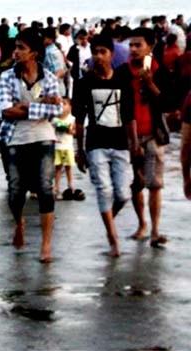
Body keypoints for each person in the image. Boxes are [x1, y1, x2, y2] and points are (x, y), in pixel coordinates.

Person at [0, 28, 64, 263]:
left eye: (21, 48)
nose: (16, 52)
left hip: (44, 136)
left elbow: (58, 110)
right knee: (16, 190)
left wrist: (25, 107)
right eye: (16, 47)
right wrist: (39, 104)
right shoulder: (8, 76)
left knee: (45, 188)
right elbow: (5, 111)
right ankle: (19, 222)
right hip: (14, 137)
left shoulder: (49, 77)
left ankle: (46, 244)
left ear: (34, 53)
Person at [73, 34, 135, 257]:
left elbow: (129, 116)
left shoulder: (122, 81)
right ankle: (113, 238)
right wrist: (79, 151)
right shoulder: (84, 84)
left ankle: (108, 218)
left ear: (111, 54)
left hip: (120, 143)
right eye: (95, 52)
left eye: (103, 52)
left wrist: (134, 143)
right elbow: (79, 120)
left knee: (122, 194)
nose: (98, 57)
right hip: (95, 142)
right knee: (104, 189)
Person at [118, 27, 171, 248]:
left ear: (151, 46)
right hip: (130, 134)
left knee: (155, 184)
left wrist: (150, 84)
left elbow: (169, 101)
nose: (133, 49)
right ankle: (142, 224)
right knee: (136, 183)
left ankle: (156, 229)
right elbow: (119, 105)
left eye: (138, 44)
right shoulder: (122, 72)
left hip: (154, 133)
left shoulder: (160, 72)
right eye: (131, 45)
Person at [52, 100, 80, 199]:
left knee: (68, 167)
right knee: (58, 168)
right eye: (60, 104)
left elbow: (74, 131)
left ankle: (70, 185)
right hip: (58, 146)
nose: (62, 106)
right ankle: (57, 187)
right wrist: (67, 128)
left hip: (68, 146)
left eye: (64, 104)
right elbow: (59, 127)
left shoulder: (72, 118)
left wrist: (71, 130)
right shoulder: (55, 119)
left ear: (70, 107)